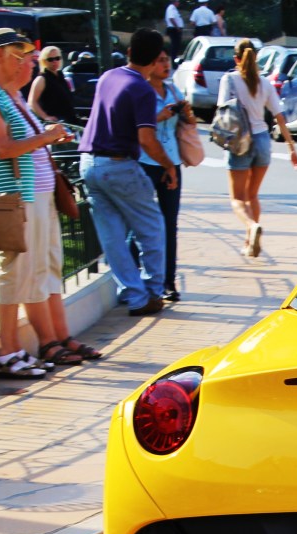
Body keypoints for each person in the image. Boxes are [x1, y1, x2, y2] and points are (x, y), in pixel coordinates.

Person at [0, 29, 99, 378]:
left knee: (33, 270)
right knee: (13, 274)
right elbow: (1, 148)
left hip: (31, 196)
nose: (25, 61)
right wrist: (48, 136)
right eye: (17, 54)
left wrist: (46, 137)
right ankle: (6, 351)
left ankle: (30, 345)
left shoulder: (5, 95)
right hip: (14, 197)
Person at [79, 28, 179, 317]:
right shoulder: (142, 89)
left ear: (129, 52)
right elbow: (147, 139)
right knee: (152, 228)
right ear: (152, 60)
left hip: (89, 163)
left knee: (111, 237)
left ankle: (134, 296)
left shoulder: (109, 76)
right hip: (119, 164)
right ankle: (152, 292)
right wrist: (169, 165)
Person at [219, 38, 297, 258]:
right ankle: (249, 242)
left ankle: (251, 227)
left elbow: (222, 109)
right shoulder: (264, 83)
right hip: (263, 140)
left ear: (236, 58)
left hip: (240, 141)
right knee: (252, 195)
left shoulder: (230, 79)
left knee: (237, 198)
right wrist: (292, 149)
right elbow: (279, 116)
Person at [137, 50, 190, 302]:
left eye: (167, 60)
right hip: (146, 162)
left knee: (170, 224)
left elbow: (188, 124)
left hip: (172, 162)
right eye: (159, 60)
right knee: (141, 222)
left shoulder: (173, 91)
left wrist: (187, 113)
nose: (165, 64)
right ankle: (138, 279)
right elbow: (137, 126)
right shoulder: (142, 91)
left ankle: (168, 281)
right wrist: (159, 116)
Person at [28, 46, 77, 125]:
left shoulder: (62, 77)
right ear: (44, 61)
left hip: (70, 121)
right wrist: (46, 117)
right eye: (50, 59)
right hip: (55, 124)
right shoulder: (42, 79)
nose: (54, 61)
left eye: (57, 58)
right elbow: (31, 102)